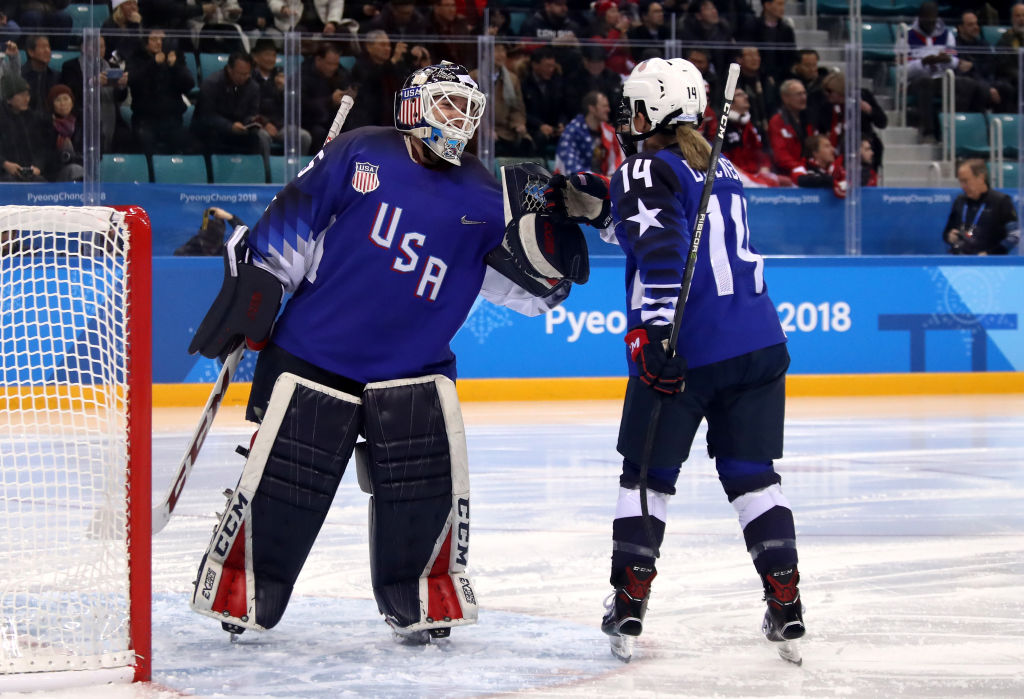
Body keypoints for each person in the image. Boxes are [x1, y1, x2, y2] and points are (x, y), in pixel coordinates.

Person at [186, 61, 588, 645]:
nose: (461, 120)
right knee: (282, 486)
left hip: (414, 370)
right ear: (415, 106)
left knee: (424, 492)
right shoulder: (359, 152)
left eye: (468, 110)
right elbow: (290, 226)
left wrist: (549, 241)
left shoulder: (485, 194)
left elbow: (532, 297)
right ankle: (245, 585)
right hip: (315, 355)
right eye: (449, 104)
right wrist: (256, 289)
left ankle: (422, 593)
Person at [548, 56, 804, 663]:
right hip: (759, 344)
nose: (626, 115)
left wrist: (655, 333)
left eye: (635, 106)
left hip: (687, 348)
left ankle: (629, 599)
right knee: (752, 478)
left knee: (645, 478)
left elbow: (663, 249)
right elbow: (666, 221)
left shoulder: (641, 165)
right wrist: (606, 209)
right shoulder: (720, 165)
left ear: (654, 111)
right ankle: (785, 598)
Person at [127, 29, 196, 156]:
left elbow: (189, 84)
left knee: (190, 145)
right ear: (145, 42)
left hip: (172, 120)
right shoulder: (136, 58)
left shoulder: (175, 57)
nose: (159, 43)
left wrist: (175, 66)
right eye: (154, 39)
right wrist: (153, 64)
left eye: (162, 40)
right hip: (145, 120)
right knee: (144, 144)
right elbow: (133, 80)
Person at [943, 159, 1019, 255]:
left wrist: (990, 254)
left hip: (990, 264)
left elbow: (1015, 235)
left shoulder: (1001, 201)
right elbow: (947, 232)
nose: (962, 186)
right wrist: (949, 236)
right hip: (960, 260)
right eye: (960, 182)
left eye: (966, 181)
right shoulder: (960, 201)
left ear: (981, 178)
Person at [554, 89, 624, 176]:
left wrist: (611, 178)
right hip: (575, 186)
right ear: (592, 108)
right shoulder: (571, 132)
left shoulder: (609, 133)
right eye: (604, 106)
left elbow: (619, 162)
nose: (608, 110)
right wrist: (601, 180)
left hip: (604, 184)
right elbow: (571, 168)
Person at [0, 72, 52, 182]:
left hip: (30, 173)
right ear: (9, 99)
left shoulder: (33, 118)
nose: (27, 99)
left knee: (41, 182)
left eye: (27, 95)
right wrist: (4, 164)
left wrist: (38, 166)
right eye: (22, 95)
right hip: (5, 174)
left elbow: (41, 148)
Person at [767, 78, 815, 177]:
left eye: (804, 93)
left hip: (807, 169)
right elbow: (780, 154)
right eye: (798, 94)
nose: (803, 98)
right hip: (787, 173)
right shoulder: (777, 121)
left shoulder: (809, 119)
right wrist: (798, 167)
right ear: (785, 97)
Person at [47, 84, 82, 181]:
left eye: (66, 99)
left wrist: (73, 158)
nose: (63, 103)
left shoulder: (82, 122)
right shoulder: (46, 125)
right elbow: (45, 156)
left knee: (76, 169)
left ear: (72, 102)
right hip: (55, 172)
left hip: (81, 167)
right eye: (58, 100)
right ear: (52, 104)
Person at [792, 133, 846, 197]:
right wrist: (830, 181)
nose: (833, 150)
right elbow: (800, 180)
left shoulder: (836, 169)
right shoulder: (802, 167)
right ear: (815, 153)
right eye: (827, 146)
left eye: (831, 146)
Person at [174, 207, 244, 256]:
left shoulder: (226, 253)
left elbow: (246, 240)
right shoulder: (189, 251)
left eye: (214, 238)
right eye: (207, 238)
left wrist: (230, 217)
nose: (210, 245)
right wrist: (230, 217)